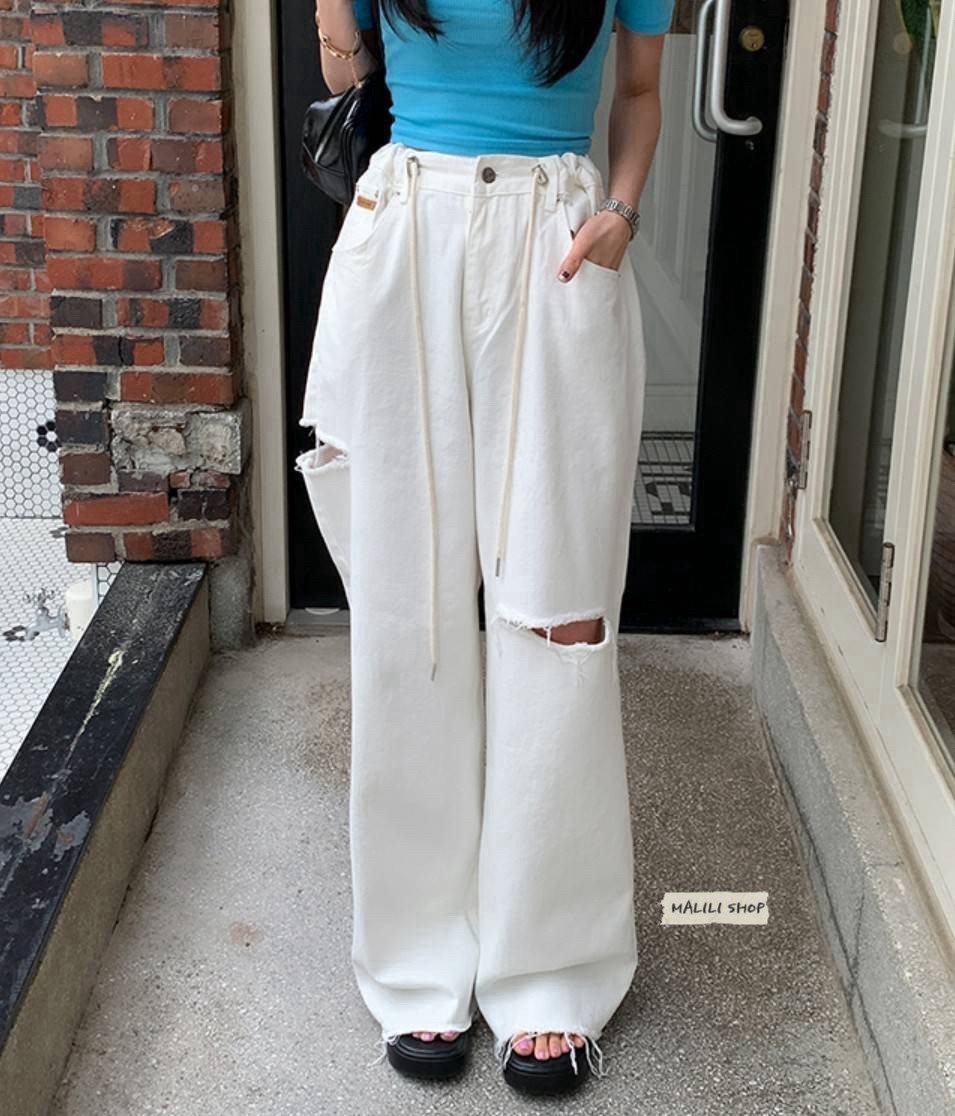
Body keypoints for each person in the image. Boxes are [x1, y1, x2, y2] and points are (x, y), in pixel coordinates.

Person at [296, 0, 673, 1097]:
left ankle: (550, 968)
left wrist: (621, 208)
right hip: (406, 227)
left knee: (559, 616)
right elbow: (346, 71)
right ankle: (419, 960)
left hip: (555, 242)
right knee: (406, 615)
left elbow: (639, 89)